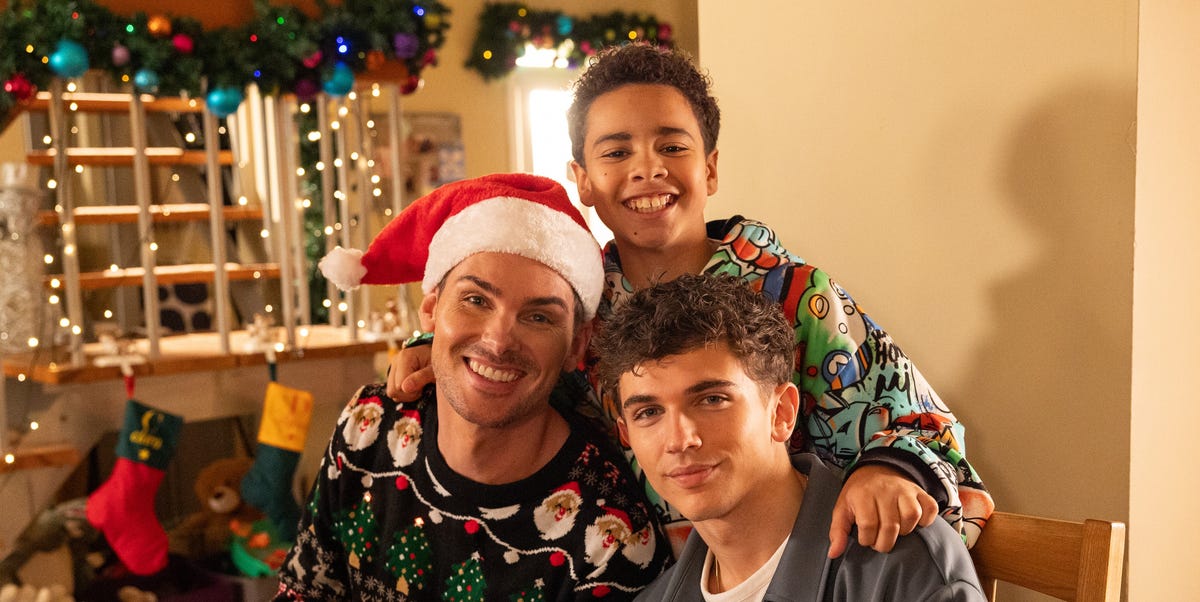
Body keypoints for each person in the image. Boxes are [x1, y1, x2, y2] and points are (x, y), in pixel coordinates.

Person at [389, 43, 994, 555]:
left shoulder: (796, 298)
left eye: (673, 147)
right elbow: (514, 350)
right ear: (583, 181)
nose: (648, 169)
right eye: (616, 152)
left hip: (807, 570)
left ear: (710, 169)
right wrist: (430, 347)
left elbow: (920, 424)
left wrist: (885, 469)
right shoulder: (582, 314)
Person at [275, 173, 670, 600]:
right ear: (431, 309)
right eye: (476, 300)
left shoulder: (610, 537)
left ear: (577, 344)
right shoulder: (367, 425)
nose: (498, 342)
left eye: (539, 317)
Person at [595, 273, 986, 600]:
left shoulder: (901, 569)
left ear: (781, 412)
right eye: (649, 413)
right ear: (626, 434)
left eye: (712, 400)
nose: (680, 439)